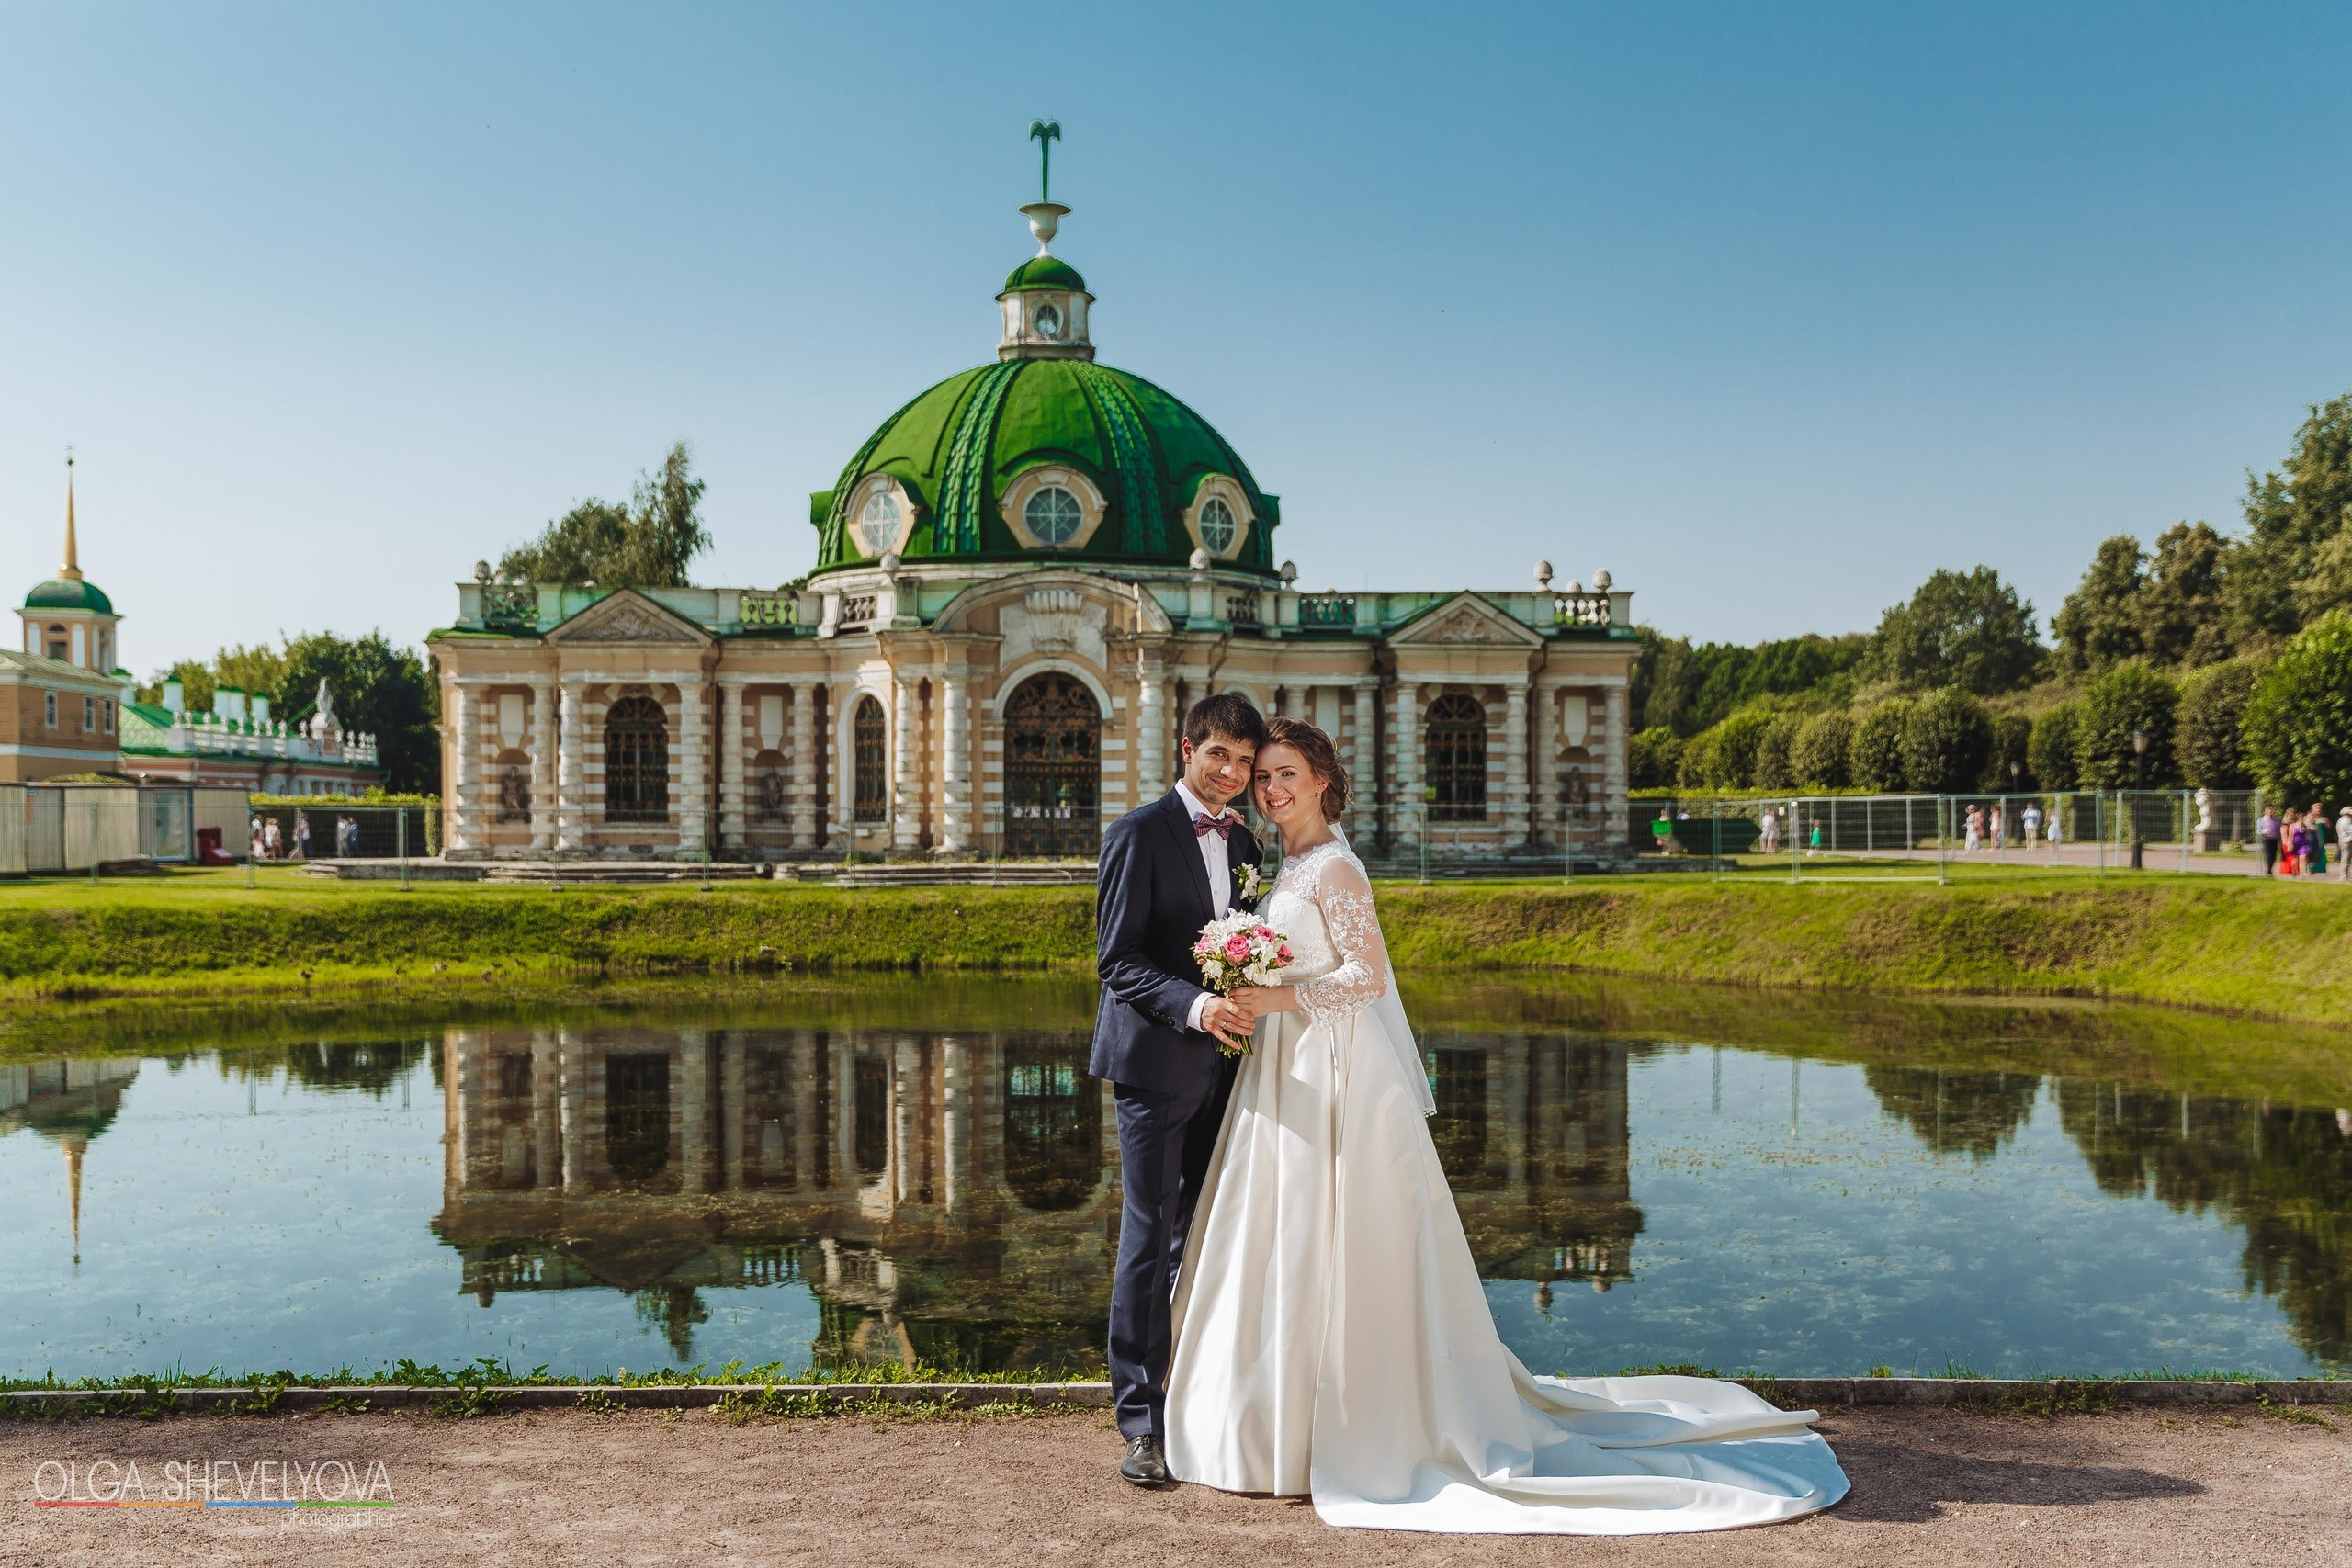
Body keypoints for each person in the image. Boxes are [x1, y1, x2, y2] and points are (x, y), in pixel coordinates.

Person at [1162, 717, 1848, 1533]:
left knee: (1342, 1235)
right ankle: (1279, 1421)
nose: (1271, 788)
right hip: (1291, 1065)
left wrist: (1275, 995)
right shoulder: (1289, 860)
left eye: (1286, 773)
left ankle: (1349, 1423)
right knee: (1286, 1232)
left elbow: (1367, 977)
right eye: (1264, 775)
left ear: (1321, 781)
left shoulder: (1336, 865)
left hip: (1337, 1065)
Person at [1091, 692, 1266, 1486]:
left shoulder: (1248, 842)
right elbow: (1118, 960)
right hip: (1155, 1065)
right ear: (1187, 749)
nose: (1231, 773)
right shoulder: (1136, 833)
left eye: (1244, 762)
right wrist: (1198, 1007)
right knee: (1147, 1233)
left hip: (1228, 1069)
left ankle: (1197, 1396)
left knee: (1206, 1233)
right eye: (1218, 755)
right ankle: (1141, 1421)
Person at [2258, 805, 2280, 876]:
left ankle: (2270, 869)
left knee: (2274, 855)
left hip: (2274, 840)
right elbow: (2258, 831)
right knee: (2269, 854)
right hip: (2266, 840)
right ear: (2265, 812)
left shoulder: (2276, 820)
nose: (2270, 812)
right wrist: (2264, 831)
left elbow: (2278, 830)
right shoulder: (2261, 820)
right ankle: (2268, 871)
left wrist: (2279, 839)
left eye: (2271, 810)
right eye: (2268, 810)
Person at [2311, 804, 2331, 878]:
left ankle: (2321, 869)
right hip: (2313, 838)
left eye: (2319, 808)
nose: (2319, 810)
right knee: (2313, 852)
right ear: (2313, 810)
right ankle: (2312, 868)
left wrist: (2327, 822)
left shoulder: (2323, 819)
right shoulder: (2311, 819)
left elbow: (2329, 827)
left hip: (2322, 838)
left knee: (2321, 852)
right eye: (2317, 808)